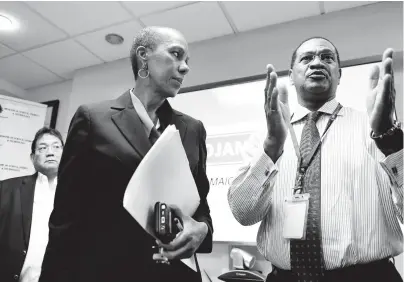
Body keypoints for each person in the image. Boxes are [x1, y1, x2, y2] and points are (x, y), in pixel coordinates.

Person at [39, 26, 213, 282]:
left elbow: (201, 206)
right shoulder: (93, 119)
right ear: (144, 57)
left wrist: (203, 229)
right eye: (176, 54)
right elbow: (65, 219)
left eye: (186, 60)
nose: (184, 67)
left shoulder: (193, 129)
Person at [228, 37, 403, 282]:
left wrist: (391, 141)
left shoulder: (375, 129)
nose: (317, 62)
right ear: (291, 75)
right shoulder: (265, 137)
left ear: (339, 74)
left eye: (327, 57)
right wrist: (271, 149)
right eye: (307, 58)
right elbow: (243, 214)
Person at [0, 127, 64, 282]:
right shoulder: (6, 189)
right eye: (43, 148)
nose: (50, 152)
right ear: (32, 157)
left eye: (56, 147)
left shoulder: (79, 194)